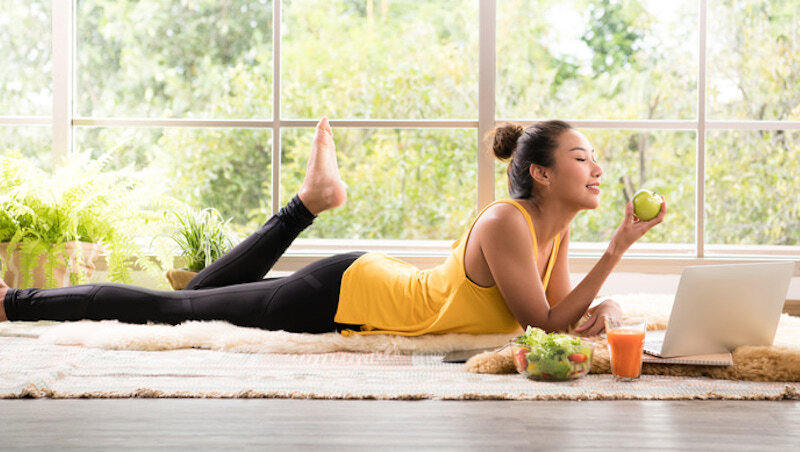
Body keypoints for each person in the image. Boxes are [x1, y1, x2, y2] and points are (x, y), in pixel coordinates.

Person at [0, 118, 665, 337]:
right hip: (339, 295)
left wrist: (600, 302)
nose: (598, 167)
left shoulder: (552, 230)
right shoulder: (505, 222)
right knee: (173, 311)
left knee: (190, 299)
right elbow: (542, 324)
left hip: (359, 286)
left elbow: (559, 311)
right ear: (543, 175)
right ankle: (12, 302)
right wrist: (619, 250)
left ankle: (309, 202)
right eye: (582, 157)